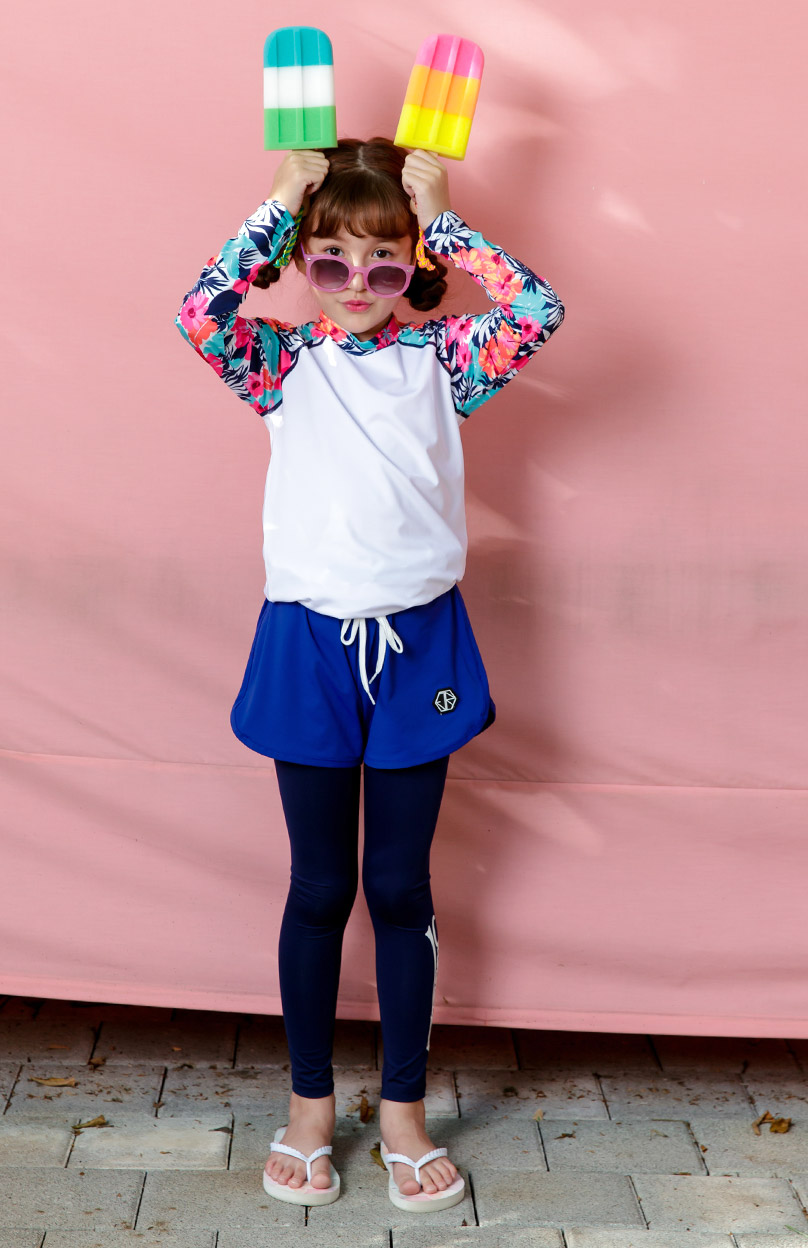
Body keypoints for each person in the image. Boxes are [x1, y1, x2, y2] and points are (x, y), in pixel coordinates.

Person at [175, 138, 565, 1211]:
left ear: (414, 264)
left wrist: (446, 222)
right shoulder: (279, 363)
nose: (356, 283)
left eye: (384, 260)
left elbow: (536, 311)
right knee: (318, 887)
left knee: (399, 887)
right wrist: (274, 205)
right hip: (305, 642)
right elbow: (199, 314)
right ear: (301, 260)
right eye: (331, 259)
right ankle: (308, 1108)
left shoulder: (446, 359)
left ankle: (402, 1111)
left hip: (419, 643)